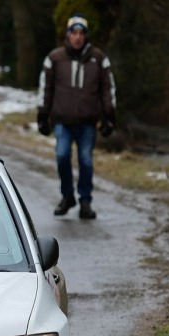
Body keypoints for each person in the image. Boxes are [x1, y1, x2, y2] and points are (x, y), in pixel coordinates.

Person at [37, 14, 117, 220]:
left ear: (86, 36)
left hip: (87, 121)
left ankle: (85, 201)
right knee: (62, 155)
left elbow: (107, 88)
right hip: (62, 120)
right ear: (68, 35)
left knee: (86, 161)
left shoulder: (98, 59)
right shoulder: (55, 59)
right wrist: (42, 115)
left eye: (81, 33)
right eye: (74, 33)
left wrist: (109, 116)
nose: (78, 37)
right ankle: (67, 196)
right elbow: (46, 88)